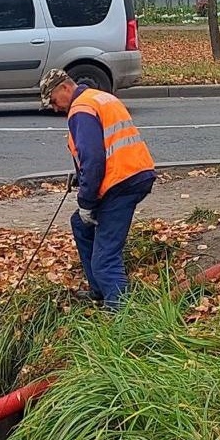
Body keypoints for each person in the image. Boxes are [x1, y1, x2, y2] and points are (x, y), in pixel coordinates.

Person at [38, 69, 156, 310]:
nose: (54, 107)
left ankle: (120, 316)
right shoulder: (98, 98)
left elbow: (93, 159)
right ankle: (99, 292)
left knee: (105, 259)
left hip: (121, 183)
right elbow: (104, 149)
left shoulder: (80, 109)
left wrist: (87, 202)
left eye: (52, 100)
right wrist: (81, 179)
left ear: (65, 88)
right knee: (81, 224)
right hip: (132, 174)